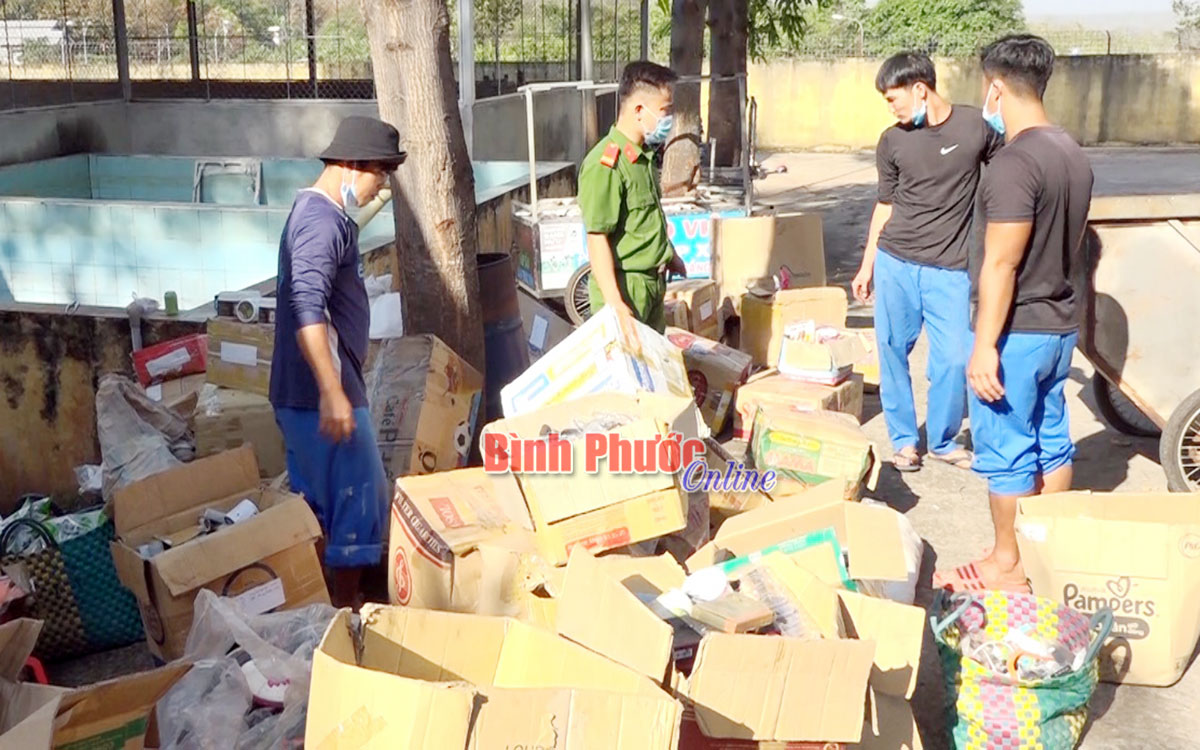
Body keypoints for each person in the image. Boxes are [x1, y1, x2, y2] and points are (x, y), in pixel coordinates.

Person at [937, 35, 1094, 592]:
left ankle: (1007, 563)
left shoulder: (1014, 163)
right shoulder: (1071, 153)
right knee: (1051, 441)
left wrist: (984, 346)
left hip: (1017, 332)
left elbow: (1001, 263)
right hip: (1058, 326)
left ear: (996, 88)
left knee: (1007, 452)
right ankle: (1041, 555)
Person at [269, 116, 406, 609]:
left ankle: (320, 610)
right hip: (318, 395)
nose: (380, 187)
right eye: (379, 174)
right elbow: (307, 305)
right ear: (350, 165)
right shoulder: (321, 222)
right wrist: (332, 391)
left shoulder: (324, 216)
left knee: (320, 509)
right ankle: (344, 616)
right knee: (358, 502)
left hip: (309, 392)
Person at [853, 52, 1005, 474]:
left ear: (920, 88)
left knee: (955, 359)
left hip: (950, 269)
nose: (890, 108)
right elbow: (885, 205)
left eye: (893, 98)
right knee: (891, 352)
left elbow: (1007, 166)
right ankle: (904, 441)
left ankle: (942, 440)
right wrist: (867, 266)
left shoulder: (975, 127)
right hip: (895, 262)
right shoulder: (892, 141)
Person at [578, 60, 687, 335]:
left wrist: (670, 254)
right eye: (665, 111)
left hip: (651, 285)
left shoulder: (642, 158)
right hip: (626, 288)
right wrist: (614, 303)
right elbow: (597, 237)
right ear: (639, 111)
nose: (669, 120)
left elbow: (645, 219)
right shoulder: (606, 164)